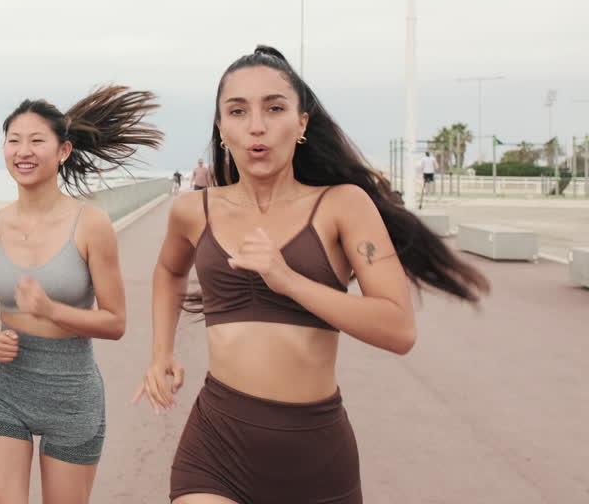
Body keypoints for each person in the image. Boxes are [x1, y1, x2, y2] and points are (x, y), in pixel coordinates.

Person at [134, 45, 489, 504]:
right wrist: (161, 352)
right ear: (221, 129)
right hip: (216, 445)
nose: (256, 126)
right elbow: (167, 270)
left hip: (315, 454)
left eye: (275, 108)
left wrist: (289, 280)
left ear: (302, 123)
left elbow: (399, 328)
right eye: (237, 111)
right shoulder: (192, 211)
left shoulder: (343, 205)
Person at [0, 85, 163, 504]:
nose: (24, 151)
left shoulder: (91, 225)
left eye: (37, 141)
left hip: (72, 392)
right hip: (5, 389)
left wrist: (51, 309)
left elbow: (115, 322)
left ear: (62, 151)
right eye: (14, 141)